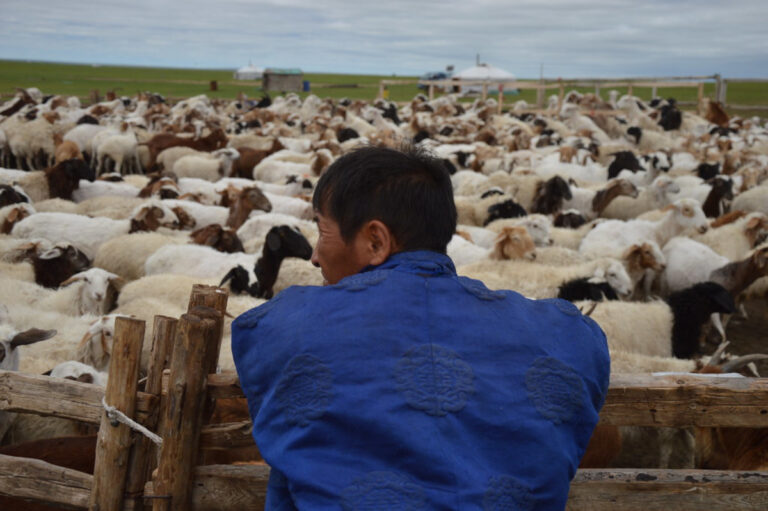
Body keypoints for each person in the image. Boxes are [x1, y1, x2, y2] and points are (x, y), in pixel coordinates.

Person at [232, 145, 610, 510]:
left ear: (376, 241)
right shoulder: (563, 334)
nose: (314, 256)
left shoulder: (287, 323)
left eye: (322, 230)